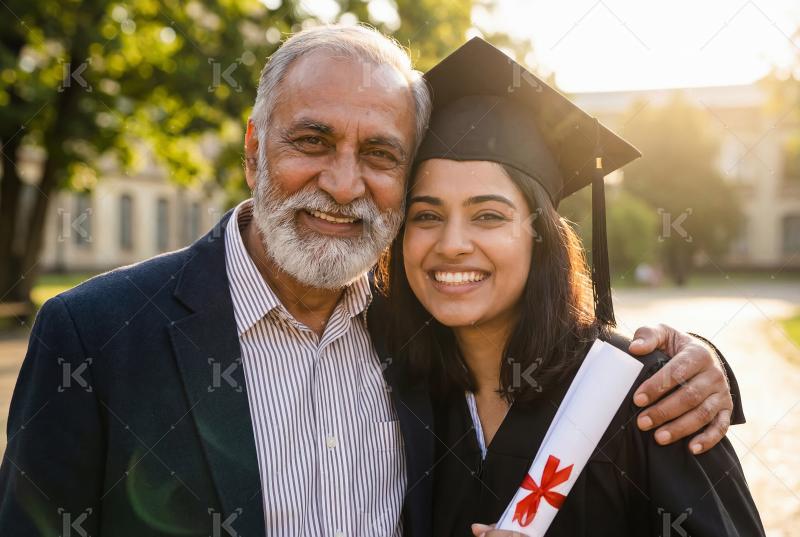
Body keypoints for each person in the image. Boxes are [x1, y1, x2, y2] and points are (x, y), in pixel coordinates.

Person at [0, 26, 743, 537]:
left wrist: (698, 359)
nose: (343, 182)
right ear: (256, 147)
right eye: (312, 140)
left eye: (382, 154)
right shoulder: (98, 338)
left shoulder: (418, 336)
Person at [375, 37, 763, 536]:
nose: (451, 244)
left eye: (489, 216)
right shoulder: (394, 388)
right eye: (425, 215)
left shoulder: (648, 398)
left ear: (541, 237)